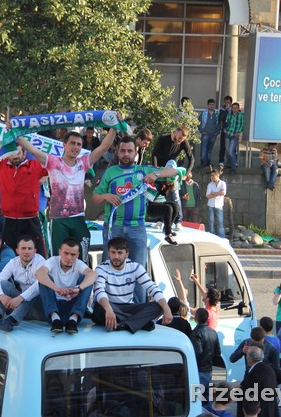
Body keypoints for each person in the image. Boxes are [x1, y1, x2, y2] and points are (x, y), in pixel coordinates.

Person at [92, 135, 181, 280]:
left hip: (137, 227)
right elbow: (95, 199)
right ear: (117, 152)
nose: (126, 154)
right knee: (109, 271)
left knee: (139, 273)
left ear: (136, 153)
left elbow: (176, 172)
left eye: (129, 151)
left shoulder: (144, 170)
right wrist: (105, 196)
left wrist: (155, 174)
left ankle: (138, 296)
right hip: (113, 227)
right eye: (123, 151)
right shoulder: (110, 172)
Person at [19, 127, 116, 257]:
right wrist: (15, 133)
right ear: (64, 145)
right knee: (58, 259)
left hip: (78, 218)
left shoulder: (83, 163)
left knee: (81, 258)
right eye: (72, 143)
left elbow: (103, 147)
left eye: (79, 144)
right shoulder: (53, 162)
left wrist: (114, 127)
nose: (75, 147)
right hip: (59, 219)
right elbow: (32, 150)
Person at [0, 132, 48, 256]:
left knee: (38, 254)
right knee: (10, 255)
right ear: (7, 155)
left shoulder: (35, 166)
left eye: (18, 152)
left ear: (24, 153)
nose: (15, 156)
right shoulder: (1, 164)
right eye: (12, 153)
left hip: (30, 219)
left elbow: (54, 165)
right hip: (9, 219)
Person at [91, 237, 172, 334]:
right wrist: (108, 309)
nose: (116, 256)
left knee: (160, 306)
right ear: (109, 252)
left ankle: (125, 324)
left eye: (120, 253)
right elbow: (99, 291)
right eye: (113, 252)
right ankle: (138, 322)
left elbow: (152, 287)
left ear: (127, 254)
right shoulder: (101, 268)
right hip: (109, 306)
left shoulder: (135, 267)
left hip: (129, 307)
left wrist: (166, 308)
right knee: (99, 307)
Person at [0, 235, 46, 332]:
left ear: (35, 251)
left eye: (29, 248)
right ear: (17, 251)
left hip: (39, 309)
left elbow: (39, 285)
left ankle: (11, 321)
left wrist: (20, 298)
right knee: (3, 284)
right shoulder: (13, 262)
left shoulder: (41, 262)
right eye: (23, 248)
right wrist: (1, 296)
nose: (27, 251)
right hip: (22, 309)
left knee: (35, 289)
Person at [36, 237, 97, 334]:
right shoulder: (53, 261)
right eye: (66, 253)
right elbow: (39, 273)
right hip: (53, 308)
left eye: (73, 254)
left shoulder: (78, 263)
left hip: (71, 308)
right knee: (45, 279)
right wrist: (57, 289)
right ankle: (55, 319)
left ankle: (73, 320)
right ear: (59, 252)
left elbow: (93, 274)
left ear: (78, 255)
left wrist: (78, 289)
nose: (69, 258)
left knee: (87, 280)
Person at [239, 346, 279, 417]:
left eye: (247, 355)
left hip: (260, 412)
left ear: (250, 358)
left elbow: (248, 392)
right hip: (270, 410)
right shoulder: (268, 368)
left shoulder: (254, 372)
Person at [191, 308, 221, 390]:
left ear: (196, 318)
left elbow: (197, 352)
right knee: (208, 396)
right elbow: (217, 353)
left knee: (198, 395)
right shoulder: (213, 332)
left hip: (199, 370)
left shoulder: (196, 332)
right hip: (209, 370)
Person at [205, 168, 226, 238]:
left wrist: (213, 193)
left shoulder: (223, 183)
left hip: (219, 206)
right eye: (211, 175)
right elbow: (207, 196)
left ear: (218, 175)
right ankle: (212, 238)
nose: (212, 177)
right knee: (211, 223)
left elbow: (223, 193)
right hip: (210, 205)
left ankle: (222, 238)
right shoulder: (210, 184)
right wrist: (218, 193)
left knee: (220, 223)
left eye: (214, 175)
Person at [223, 102, 244, 174]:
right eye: (233, 108)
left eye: (236, 108)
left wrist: (239, 132)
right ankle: (229, 164)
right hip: (228, 134)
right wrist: (225, 129)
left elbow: (242, 125)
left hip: (235, 135)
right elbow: (226, 123)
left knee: (231, 151)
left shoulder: (241, 115)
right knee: (227, 150)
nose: (234, 109)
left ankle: (233, 167)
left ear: (238, 108)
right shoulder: (229, 114)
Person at [198, 99, 220, 168]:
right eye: (210, 104)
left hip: (213, 134)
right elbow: (198, 122)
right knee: (203, 148)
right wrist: (201, 130)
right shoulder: (204, 113)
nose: (211, 106)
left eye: (213, 104)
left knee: (210, 149)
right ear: (208, 105)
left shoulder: (217, 114)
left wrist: (218, 131)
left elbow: (219, 123)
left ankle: (208, 162)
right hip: (205, 134)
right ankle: (203, 162)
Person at [217, 96, 232, 168]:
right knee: (223, 146)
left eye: (228, 103)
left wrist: (229, 110)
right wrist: (226, 110)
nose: (227, 104)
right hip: (224, 130)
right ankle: (221, 161)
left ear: (231, 103)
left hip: (232, 131)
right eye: (225, 102)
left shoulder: (233, 109)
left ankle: (230, 162)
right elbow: (220, 118)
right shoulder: (222, 109)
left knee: (231, 148)